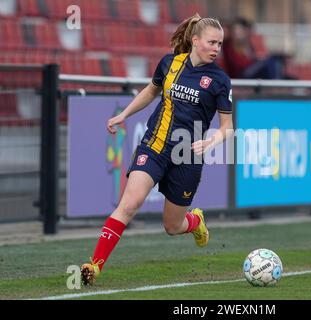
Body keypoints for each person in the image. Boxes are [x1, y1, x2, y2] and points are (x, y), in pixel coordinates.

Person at [80, 14, 234, 285]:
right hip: (155, 145)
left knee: (172, 227)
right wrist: (124, 114)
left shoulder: (220, 81)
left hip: (187, 156)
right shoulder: (169, 63)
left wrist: (212, 141)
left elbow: (227, 128)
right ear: (195, 40)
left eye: (220, 44)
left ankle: (195, 222)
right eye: (211, 42)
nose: (216, 49)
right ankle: (94, 265)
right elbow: (151, 92)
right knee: (129, 204)